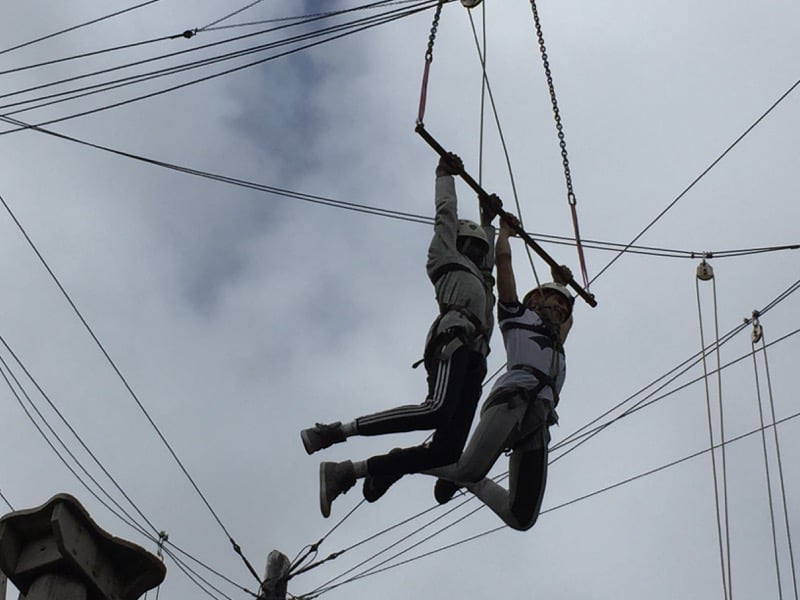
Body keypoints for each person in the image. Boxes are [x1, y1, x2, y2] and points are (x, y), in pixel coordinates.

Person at [300, 153, 501, 518]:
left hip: (475, 358)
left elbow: (488, 270)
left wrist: (491, 222)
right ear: (459, 244)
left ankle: (355, 471)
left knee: (447, 452)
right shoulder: (444, 257)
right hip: (452, 338)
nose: (476, 252)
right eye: (472, 246)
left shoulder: (479, 279)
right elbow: (445, 216)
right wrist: (445, 176)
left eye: (479, 249)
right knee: (436, 409)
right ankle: (335, 432)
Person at [425, 214, 574, 531]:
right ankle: (411, 463)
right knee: (467, 468)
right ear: (535, 299)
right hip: (512, 402)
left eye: (565, 307)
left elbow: (566, 317)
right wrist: (504, 234)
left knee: (521, 517)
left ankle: (467, 479)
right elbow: (503, 265)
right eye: (555, 302)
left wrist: (560, 282)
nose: (561, 309)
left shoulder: (556, 339)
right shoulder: (516, 315)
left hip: (538, 418)